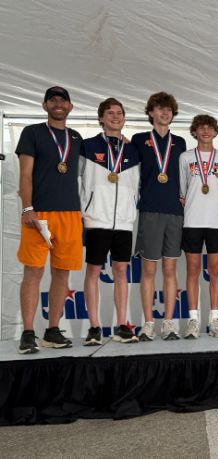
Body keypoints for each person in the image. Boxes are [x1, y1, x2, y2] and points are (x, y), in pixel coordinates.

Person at [16, 86, 83, 353]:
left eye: (62, 100)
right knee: (33, 271)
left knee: (61, 274)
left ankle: (52, 330)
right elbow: (25, 175)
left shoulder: (77, 137)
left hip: (70, 213)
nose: (58, 104)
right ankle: (29, 332)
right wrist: (27, 208)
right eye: (52, 100)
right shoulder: (32, 132)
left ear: (70, 107)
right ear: (45, 106)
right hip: (39, 214)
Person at [80, 97, 140, 345]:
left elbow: (137, 185)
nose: (116, 117)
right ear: (101, 118)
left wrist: (131, 209)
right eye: (110, 113)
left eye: (119, 113)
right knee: (93, 270)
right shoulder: (86, 145)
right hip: (97, 218)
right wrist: (84, 209)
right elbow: (77, 180)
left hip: (124, 221)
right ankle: (94, 326)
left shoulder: (132, 149)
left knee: (121, 271)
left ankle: (122, 324)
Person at [132, 92, 187, 341]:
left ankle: (168, 323)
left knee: (170, 270)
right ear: (151, 112)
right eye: (160, 109)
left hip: (175, 212)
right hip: (150, 210)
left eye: (169, 110)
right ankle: (148, 323)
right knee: (148, 271)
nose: (165, 113)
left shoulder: (181, 142)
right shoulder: (138, 140)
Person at [179, 114, 218, 339]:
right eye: (201, 128)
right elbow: (182, 191)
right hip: (192, 220)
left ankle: (215, 319)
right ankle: (193, 319)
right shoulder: (185, 157)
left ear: (216, 131)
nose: (206, 131)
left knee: (216, 272)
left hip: (217, 221)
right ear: (195, 131)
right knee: (192, 270)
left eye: (210, 127)